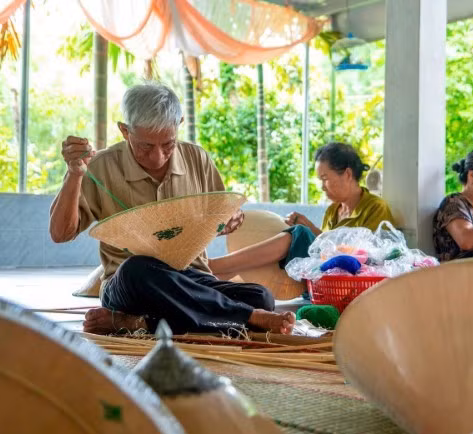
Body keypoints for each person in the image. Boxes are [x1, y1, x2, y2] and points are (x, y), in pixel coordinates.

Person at [49, 83, 295, 335]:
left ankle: (141, 323)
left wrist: (230, 218)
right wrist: (74, 174)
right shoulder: (101, 165)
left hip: (191, 279)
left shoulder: (197, 159)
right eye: (145, 146)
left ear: (179, 124)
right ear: (125, 130)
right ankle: (246, 317)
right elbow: (60, 233)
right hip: (133, 285)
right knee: (138, 269)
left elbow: (223, 214)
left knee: (261, 297)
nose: (157, 157)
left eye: (168, 144)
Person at [208, 142, 395, 281]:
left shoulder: (375, 207)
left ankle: (213, 266)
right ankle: (220, 274)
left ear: (347, 174)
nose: (322, 187)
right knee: (284, 236)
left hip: (350, 276)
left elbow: (369, 255)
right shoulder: (333, 210)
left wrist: (309, 229)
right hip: (321, 271)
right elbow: (322, 248)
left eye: (325, 178)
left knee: (300, 233)